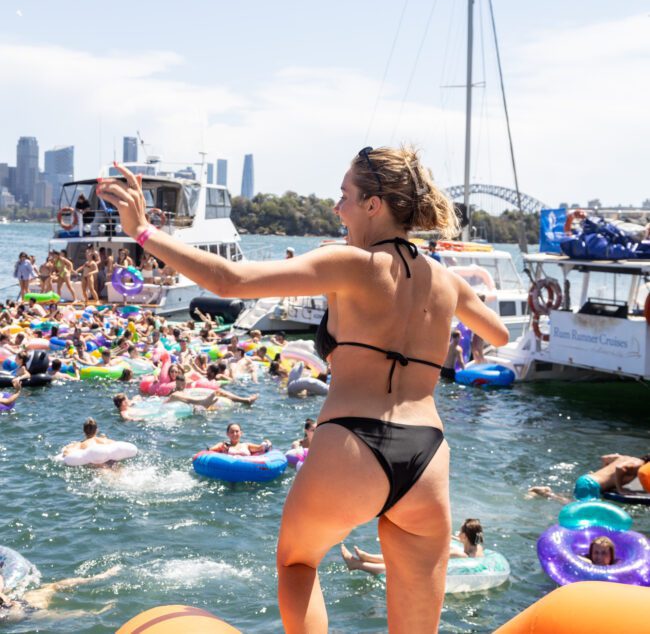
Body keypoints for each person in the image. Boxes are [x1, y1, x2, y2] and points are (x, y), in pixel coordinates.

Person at [97, 150, 508, 632]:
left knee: (298, 563)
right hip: (427, 456)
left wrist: (144, 231)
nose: (338, 209)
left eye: (344, 197)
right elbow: (499, 335)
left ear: (374, 204)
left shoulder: (352, 263)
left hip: (354, 441)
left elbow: (230, 280)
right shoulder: (445, 280)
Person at [340, 518, 485, 576]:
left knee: (398, 564)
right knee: (401, 560)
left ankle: (357, 564)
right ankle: (366, 557)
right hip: (432, 564)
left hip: (425, 570)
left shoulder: (460, 554)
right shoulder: (477, 547)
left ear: (465, 536)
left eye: (460, 531)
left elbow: (435, 556)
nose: (457, 533)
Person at [0, 563, 119, 623]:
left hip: (21, 604)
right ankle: (97, 613)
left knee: (54, 586)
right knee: (59, 615)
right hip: (25, 613)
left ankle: (99, 577)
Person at [529, 453, 650, 503]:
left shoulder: (625, 457)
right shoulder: (638, 463)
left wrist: (602, 473)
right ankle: (546, 493)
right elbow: (619, 468)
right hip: (591, 484)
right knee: (579, 509)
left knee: (575, 501)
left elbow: (605, 458)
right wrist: (620, 489)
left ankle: (547, 493)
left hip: (589, 480)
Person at [470, 295, 487, 363]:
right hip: (480, 329)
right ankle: (481, 361)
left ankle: (479, 362)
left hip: (478, 329)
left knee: (475, 347)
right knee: (479, 348)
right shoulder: (483, 308)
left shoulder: (479, 308)